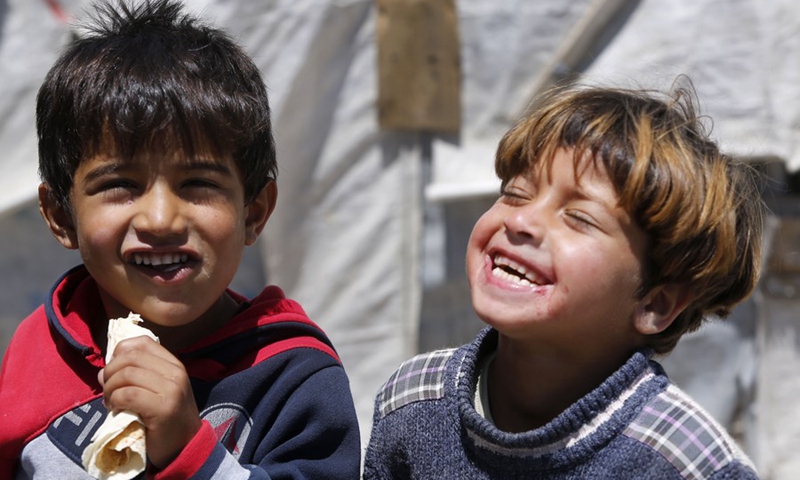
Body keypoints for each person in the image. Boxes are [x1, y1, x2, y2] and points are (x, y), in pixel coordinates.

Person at [0, 0, 361, 478]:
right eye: (120, 185)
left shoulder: (292, 381)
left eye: (198, 184)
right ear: (61, 216)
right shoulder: (42, 348)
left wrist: (191, 452)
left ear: (254, 212)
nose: (161, 219)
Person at [363, 81, 765, 479]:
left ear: (654, 304)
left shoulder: (689, 464)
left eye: (579, 218)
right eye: (517, 193)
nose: (520, 221)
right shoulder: (413, 400)